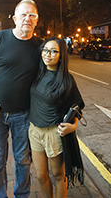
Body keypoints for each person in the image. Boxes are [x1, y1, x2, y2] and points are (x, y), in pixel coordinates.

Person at [0, 0, 43, 198]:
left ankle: (21, 195)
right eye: (23, 14)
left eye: (32, 15)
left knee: (23, 160)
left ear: (37, 20)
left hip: (24, 114)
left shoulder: (40, 46)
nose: (27, 19)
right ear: (15, 18)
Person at [29, 37, 85, 198]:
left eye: (54, 51)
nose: (48, 54)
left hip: (53, 133)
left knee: (58, 175)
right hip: (34, 131)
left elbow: (78, 105)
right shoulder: (37, 73)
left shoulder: (66, 80)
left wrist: (73, 126)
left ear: (61, 55)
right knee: (40, 175)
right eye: (45, 50)